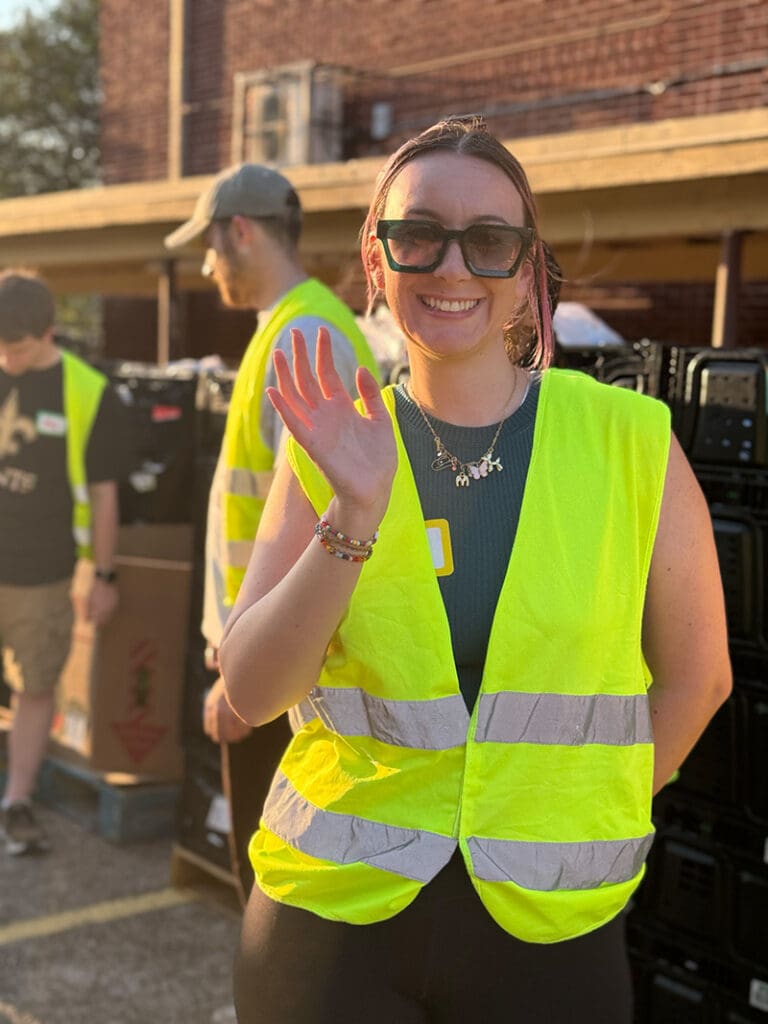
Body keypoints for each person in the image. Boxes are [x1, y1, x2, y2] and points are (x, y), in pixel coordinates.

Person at [218, 117, 732, 1023]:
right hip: (333, 917)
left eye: (489, 241)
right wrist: (355, 511)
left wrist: (574, 803)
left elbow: (700, 678)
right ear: (377, 263)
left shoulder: (631, 441)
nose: (453, 267)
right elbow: (252, 691)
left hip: (548, 930)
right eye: (418, 235)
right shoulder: (335, 444)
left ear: (528, 273)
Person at [165, 163, 380, 748]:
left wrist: (251, 671)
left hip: (284, 666)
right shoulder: (292, 327)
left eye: (210, 247)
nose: (209, 266)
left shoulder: (302, 335)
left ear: (240, 231)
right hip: (270, 651)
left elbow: (318, 515)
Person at [0, 270, 124, 855]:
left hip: (42, 575)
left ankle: (17, 801)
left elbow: (103, 494)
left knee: (35, 687)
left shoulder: (88, 392)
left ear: (49, 332)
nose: (9, 359)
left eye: (19, 349)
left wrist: (104, 575)